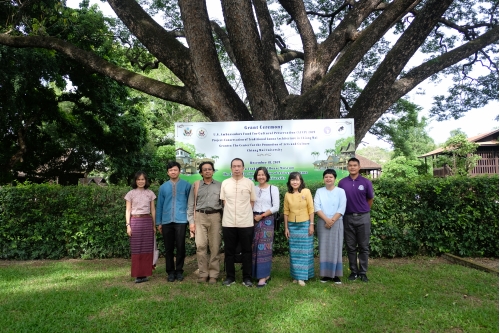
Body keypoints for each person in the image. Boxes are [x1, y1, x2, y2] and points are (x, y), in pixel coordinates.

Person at [220, 158, 256, 287]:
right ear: (231, 168)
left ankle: (247, 278)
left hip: (246, 222)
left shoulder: (249, 183)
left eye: (239, 166)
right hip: (228, 222)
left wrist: (243, 213)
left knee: (247, 251)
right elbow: (224, 202)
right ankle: (230, 277)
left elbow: (252, 202)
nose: (236, 169)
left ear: (243, 168)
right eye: (234, 166)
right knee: (229, 251)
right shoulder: (225, 183)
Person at [338, 157, 374, 282]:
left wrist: (362, 211)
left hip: (363, 217)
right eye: (350, 165)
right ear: (347, 167)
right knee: (350, 246)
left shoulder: (366, 182)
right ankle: (354, 271)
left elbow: (370, 199)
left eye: (355, 165)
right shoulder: (342, 183)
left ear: (359, 167)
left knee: (363, 246)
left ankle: (363, 272)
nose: (352, 167)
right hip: (347, 217)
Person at [187, 161, 223, 285]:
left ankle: (213, 274)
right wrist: (191, 222)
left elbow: (224, 205)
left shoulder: (220, 185)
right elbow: (191, 204)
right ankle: (203, 273)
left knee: (215, 246)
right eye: (204, 169)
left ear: (213, 171)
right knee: (201, 246)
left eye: (209, 169)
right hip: (200, 217)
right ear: (201, 172)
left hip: (215, 217)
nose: (207, 171)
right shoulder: (196, 185)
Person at [156, 161, 191, 282]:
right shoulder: (163, 187)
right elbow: (159, 205)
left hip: (181, 220)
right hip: (166, 221)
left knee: (181, 246)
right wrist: (159, 222)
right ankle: (170, 272)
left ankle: (179, 271)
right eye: (170, 170)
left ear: (179, 171)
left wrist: (191, 220)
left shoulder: (187, 185)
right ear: (168, 172)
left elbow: (190, 204)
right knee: (168, 247)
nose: (173, 172)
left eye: (175, 170)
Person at [314, 169, 346, 284]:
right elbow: (317, 207)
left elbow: (342, 207)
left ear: (335, 178)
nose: (328, 179)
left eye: (331, 177)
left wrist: (332, 220)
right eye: (326, 177)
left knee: (336, 247)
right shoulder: (319, 191)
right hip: (323, 222)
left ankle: (336, 275)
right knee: (324, 247)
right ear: (323, 178)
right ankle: (325, 275)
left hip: (337, 221)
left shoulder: (341, 191)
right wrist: (326, 220)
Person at [124, 171, 156, 283]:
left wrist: (154, 224)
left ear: (146, 180)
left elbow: (153, 210)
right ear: (135, 181)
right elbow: (128, 210)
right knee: (136, 249)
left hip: (147, 221)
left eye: (143, 179)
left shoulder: (150, 193)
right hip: (135, 221)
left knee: (147, 248)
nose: (141, 181)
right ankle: (138, 275)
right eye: (138, 179)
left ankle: (145, 274)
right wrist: (128, 225)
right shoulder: (130, 194)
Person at [283, 172, 314, 286]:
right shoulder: (287, 194)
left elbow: (311, 208)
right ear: (289, 182)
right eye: (292, 180)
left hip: (305, 224)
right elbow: (286, 212)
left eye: (297, 180)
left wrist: (311, 224)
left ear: (301, 181)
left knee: (304, 251)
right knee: (294, 252)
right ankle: (296, 276)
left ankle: (303, 277)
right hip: (292, 225)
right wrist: (286, 227)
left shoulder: (306, 191)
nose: (295, 182)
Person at [252, 167, 279, 288]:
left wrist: (261, 216)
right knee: (254, 246)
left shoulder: (273, 189)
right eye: (258, 175)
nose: (261, 177)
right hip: (253, 219)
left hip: (267, 220)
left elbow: (276, 207)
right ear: (256, 176)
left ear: (267, 176)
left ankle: (263, 276)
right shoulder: (253, 188)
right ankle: (256, 273)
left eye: (263, 175)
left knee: (264, 248)